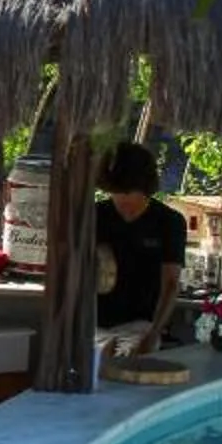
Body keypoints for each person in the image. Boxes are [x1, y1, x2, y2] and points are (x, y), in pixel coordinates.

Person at [96, 141, 186, 355]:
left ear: (146, 188)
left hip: (141, 326)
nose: (125, 199)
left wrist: (153, 334)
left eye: (131, 192)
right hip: (94, 324)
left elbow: (171, 283)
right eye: (118, 192)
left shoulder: (169, 222)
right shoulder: (94, 216)